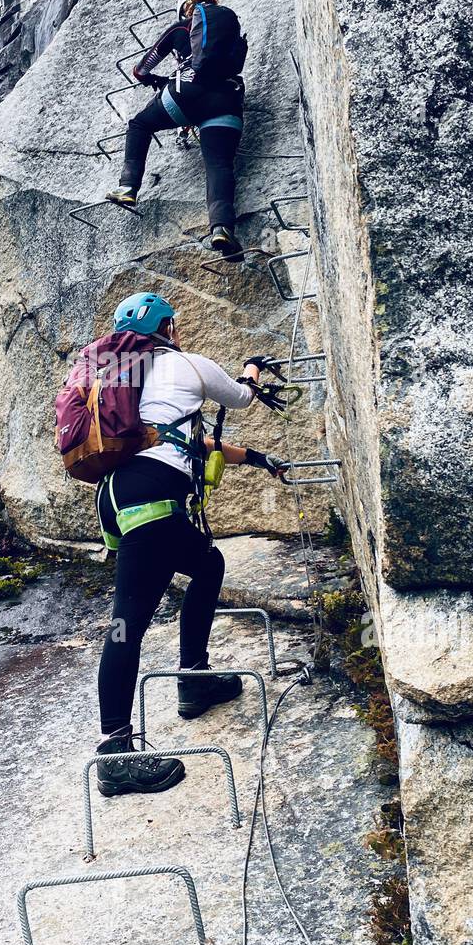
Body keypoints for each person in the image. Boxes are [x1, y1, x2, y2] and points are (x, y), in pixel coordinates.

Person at [95, 291, 287, 797]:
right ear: (169, 328)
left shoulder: (123, 380)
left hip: (120, 495)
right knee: (125, 622)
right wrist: (251, 368)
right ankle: (114, 754)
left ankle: (195, 679)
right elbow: (242, 397)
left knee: (207, 564)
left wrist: (257, 459)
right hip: (152, 499)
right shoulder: (186, 364)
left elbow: (181, 441)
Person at [107, 0, 248, 258]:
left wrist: (152, 79)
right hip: (227, 101)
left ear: (184, 8)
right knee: (219, 165)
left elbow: (141, 69)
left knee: (140, 124)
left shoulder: (180, 28)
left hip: (185, 96)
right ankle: (222, 228)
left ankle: (127, 187)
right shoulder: (230, 28)